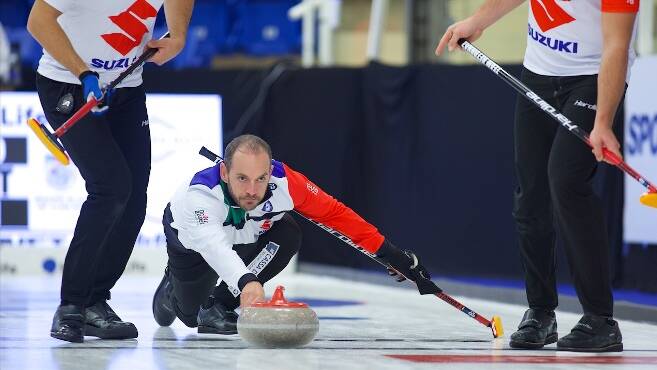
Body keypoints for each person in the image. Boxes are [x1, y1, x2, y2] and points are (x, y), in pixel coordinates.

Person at [435, 0, 639, 352]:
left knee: (566, 182)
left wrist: (603, 121)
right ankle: (541, 313)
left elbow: (617, 46)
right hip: (538, 76)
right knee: (530, 196)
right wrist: (477, 21)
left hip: (592, 79)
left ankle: (600, 320)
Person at [27, 0, 194, 343]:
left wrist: (177, 35)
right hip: (67, 83)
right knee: (111, 187)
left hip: (126, 88)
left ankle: (95, 303)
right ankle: (71, 305)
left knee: (133, 201)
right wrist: (83, 73)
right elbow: (38, 22)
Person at [152, 134, 437, 333]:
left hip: (245, 237)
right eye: (242, 179)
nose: (252, 190)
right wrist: (247, 282)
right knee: (189, 316)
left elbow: (335, 215)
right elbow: (215, 248)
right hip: (195, 244)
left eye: (260, 178)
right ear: (225, 173)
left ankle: (218, 305)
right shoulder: (200, 196)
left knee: (287, 233)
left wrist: (390, 254)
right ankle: (170, 290)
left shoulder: (287, 182)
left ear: (270, 172)